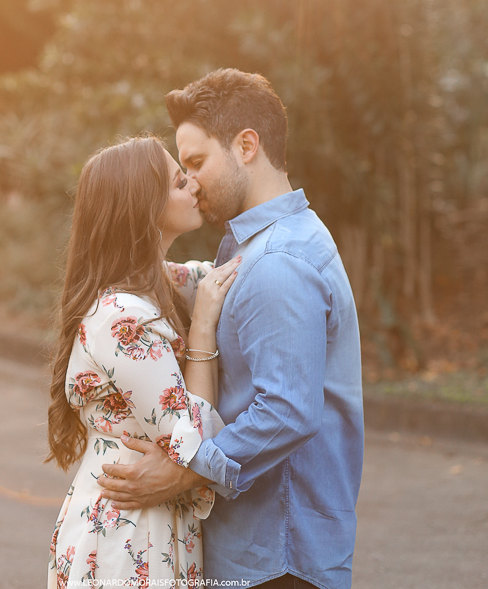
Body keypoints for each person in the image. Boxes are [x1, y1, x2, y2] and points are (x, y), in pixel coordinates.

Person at [98, 69, 364, 589]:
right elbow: (196, 283)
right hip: (267, 552)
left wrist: (184, 470)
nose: (190, 181)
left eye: (197, 163)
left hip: (278, 557)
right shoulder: (262, 245)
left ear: (246, 146)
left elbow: (286, 410)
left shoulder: (278, 263)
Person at [46, 134, 241, 588]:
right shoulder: (121, 317)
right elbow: (192, 437)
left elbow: (219, 275)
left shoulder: (160, 283)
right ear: (145, 207)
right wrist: (202, 327)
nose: (194, 184)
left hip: (151, 520)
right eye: (179, 182)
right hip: (127, 532)